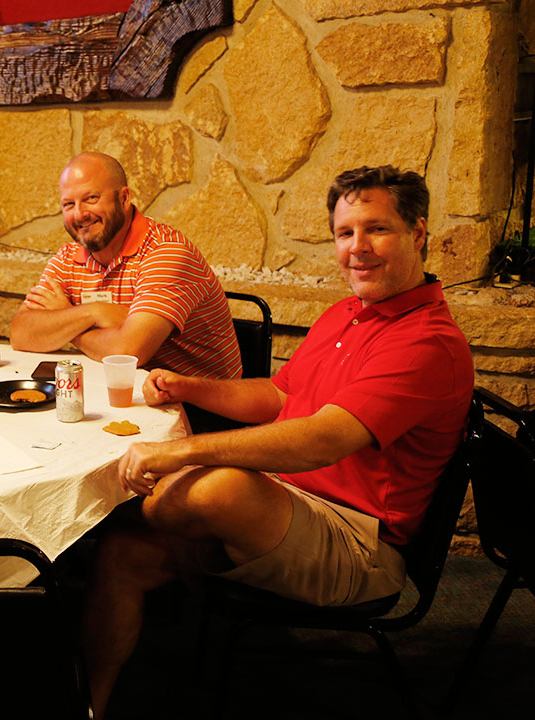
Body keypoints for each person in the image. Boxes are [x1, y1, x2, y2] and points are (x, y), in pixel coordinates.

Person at [83, 166, 475, 719]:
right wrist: (186, 384)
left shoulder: (428, 344)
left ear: (418, 233)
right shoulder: (347, 313)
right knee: (122, 554)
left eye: (377, 229)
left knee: (217, 487)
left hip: (360, 545)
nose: (357, 249)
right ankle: (91, 705)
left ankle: (105, 518)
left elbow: (321, 440)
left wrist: (180, 452)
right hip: (288, 507)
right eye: (344, 234)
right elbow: (280, 394)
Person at [9, 152, 241, 382]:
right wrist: (96, 313)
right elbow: (21, 333)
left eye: (91, 198)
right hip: (123, 391)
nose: (79, 214)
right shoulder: (67, 257)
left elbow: (128, 353)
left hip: (200, 406)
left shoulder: (166, 251)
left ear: (124, 198)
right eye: (69, 204)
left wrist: (69, 321)